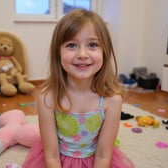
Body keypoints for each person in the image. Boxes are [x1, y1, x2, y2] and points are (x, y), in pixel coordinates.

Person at [22, 9, 135, 168]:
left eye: (93, 45)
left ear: (105, 51)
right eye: (72, 45)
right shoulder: (47, 98)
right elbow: (51, 154)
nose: (82, 54)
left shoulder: (112, 101)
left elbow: (103, 155)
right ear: (58, 53)